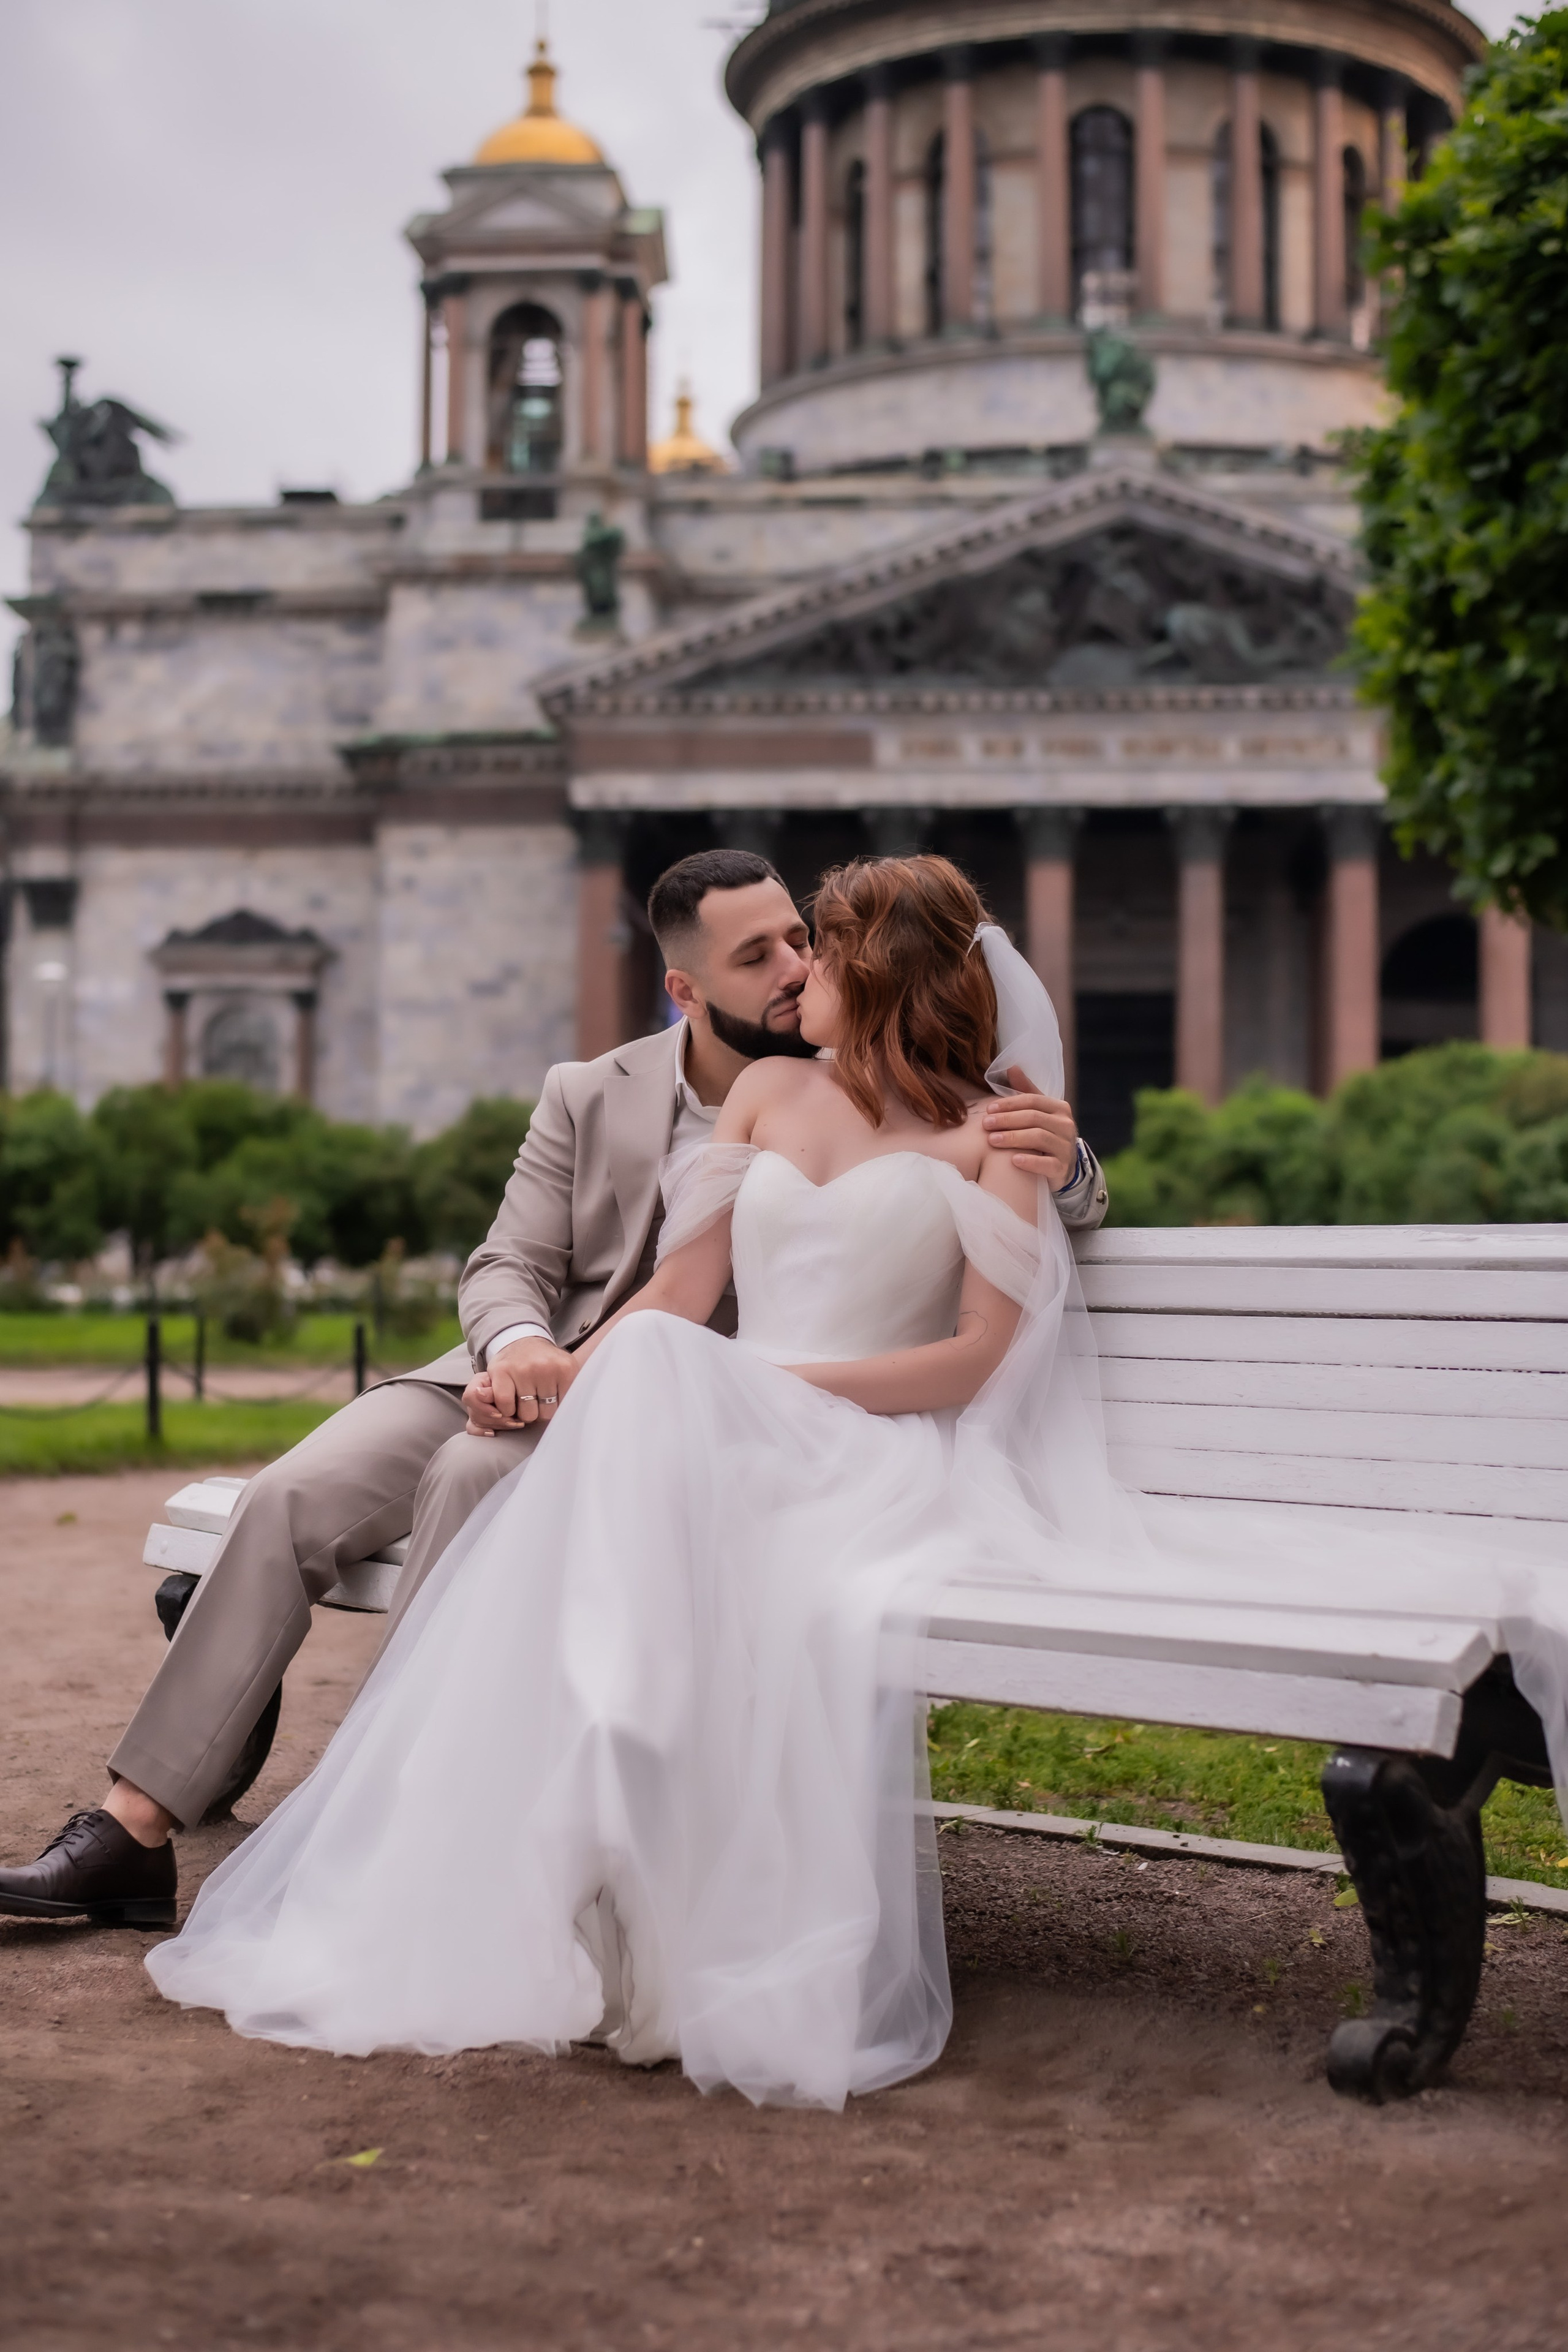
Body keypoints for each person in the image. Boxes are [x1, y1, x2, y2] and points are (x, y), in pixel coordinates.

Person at [140, 855, 1148, 2106]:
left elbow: (975, 1358)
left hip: (856, 1442)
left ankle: (604, 1798)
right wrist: (568, 1375)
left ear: (874, 974)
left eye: (815, 952)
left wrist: (767, 1388)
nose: (795, 978)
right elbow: (675, 1296)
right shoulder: (769, 1091)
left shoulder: (990, 1135)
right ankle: (594, 1789)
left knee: (639, 1430)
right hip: (710, 1409)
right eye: (770, 955)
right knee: (625, 1392)